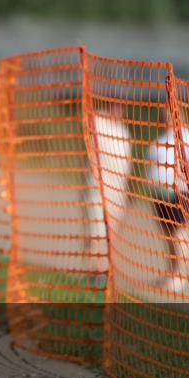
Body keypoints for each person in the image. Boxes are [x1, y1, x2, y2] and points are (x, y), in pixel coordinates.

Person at [146, 107, 189, 294]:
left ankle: (180, 276)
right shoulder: (161, 139)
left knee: (179, 233)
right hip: (160, 194)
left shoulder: (186, 136)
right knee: (168, 234)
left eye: (171, 114)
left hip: (179, 193)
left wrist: (187, 169)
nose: (167, 117)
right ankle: (172, 272)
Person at [83, 101, 131, 276]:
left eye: (121, 105)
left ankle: (102, 273)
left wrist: (126, 194)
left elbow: (126, 167)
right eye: (115, 104)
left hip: (117, 194)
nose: (118, 109)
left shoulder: (124, 133)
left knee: (109, 238)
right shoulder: (100, 122)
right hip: (97, 190)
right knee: (96, 234)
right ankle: (92, 273)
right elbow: (87, 116)